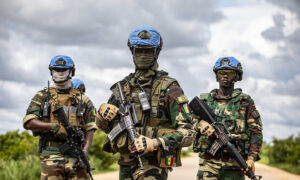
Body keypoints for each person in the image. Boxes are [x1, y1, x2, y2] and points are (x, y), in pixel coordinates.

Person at [96, 26, 194, 180]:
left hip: (153, 165)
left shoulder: (168, 87)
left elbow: (188, 131)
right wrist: (102, 112)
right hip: (126, 163)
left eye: (148, 51)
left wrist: (155, 142)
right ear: (132, 52)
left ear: (157, 53)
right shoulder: (122, 87)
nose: (142, 55)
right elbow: (105, 127)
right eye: (138, 51)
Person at [23, 55, 97, 180]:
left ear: (71, 72)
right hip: (51, 157)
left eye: (63, 70)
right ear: (51, 71)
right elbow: (28, 122)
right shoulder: (42, 96)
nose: (60, 73)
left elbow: (90, 128)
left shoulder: (83, 99)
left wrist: (84, 152)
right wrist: (52, 126)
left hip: (76, 156)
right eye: (57, 69)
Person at [193, 57, 263, 180]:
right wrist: (200, 124)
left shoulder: (245, 102)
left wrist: (251, 159)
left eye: (230, 73)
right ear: (217, 76)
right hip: (208, 164)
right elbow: (188, 123)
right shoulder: (205, 101)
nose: (225, 76)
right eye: (221, 73)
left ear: (237, 77)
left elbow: (256, 132)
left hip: (235, 165)